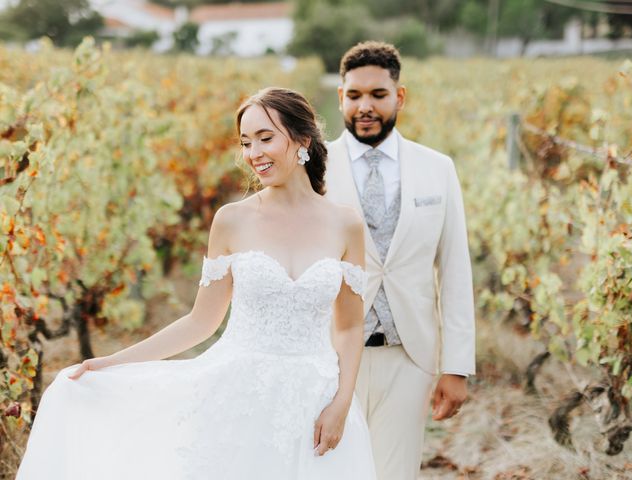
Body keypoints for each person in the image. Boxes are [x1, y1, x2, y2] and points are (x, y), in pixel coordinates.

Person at [16, 87, 377, 480]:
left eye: (265, 138)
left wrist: (341, 402)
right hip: (237, 397)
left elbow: (348, 325)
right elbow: (200, 322)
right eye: (245, 142)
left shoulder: (345, 224)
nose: (253, 153)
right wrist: (113, 361)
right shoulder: (232, 220)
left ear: (302, 140)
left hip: (315, 398)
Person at [325, 41, 476, 480]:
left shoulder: (438, 169)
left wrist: (457, 365)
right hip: (329, 352)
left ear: (399, 97)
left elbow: (455, 270)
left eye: (378, 95)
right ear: (340, 98)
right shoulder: (315, 168)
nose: (365, 107)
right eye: (354, 96)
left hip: (408, 353)